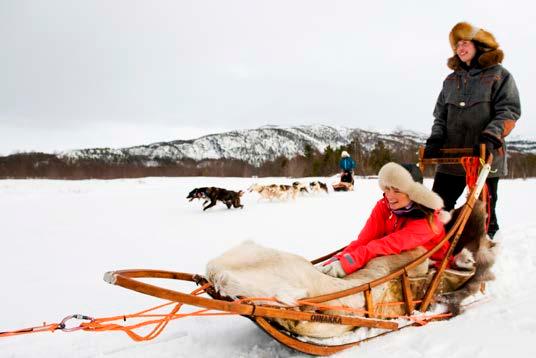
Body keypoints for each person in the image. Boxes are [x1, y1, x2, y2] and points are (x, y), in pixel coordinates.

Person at [424, 22, 521, 239]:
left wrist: (491, 135)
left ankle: (482, 246)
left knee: (483, 211)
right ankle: (436, 246)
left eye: (465, 43)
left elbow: (509, 111)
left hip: (485, 156)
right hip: (451, 158)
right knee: (438, 207)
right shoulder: (450, 81)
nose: (460, 48)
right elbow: (440, 115)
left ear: (478, 45)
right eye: (456, 45)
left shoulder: (499, 75)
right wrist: (436, 137)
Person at [319, 162, 450, 278]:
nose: (390, 196)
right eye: (387, 188)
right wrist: (338, 259)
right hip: (395, 252)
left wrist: (347, 264)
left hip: (429, 262)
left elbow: (387, 244)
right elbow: (365, 240)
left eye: (397, 190)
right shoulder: (384, 206)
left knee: (375, 263)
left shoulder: (429, 222)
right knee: (362, 255)